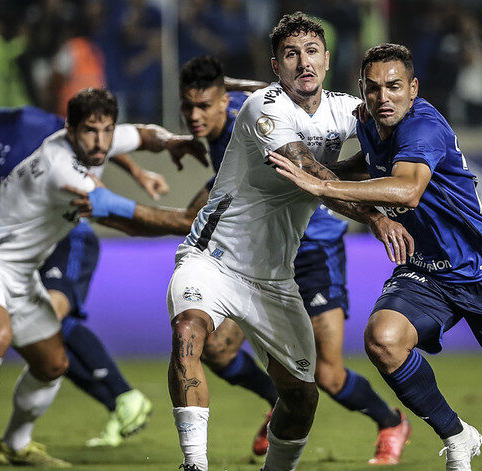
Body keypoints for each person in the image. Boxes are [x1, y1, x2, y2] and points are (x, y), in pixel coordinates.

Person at [269, 43, 482, 471]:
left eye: (394, 87)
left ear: (413, 88)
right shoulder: (372, 124)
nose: (383, 97)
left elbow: (408, 189)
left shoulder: (423, 126)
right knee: (383, 339)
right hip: (427, 269)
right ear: (362, 90)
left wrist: (325, 188)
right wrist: (322, 171)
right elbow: (371, 165)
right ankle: (456, 434)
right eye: (372, 89)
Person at [0, 63, 207, 468]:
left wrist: (172, 141)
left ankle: (15, 444)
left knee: (52, 363)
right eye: (90, 132)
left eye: (106, 131)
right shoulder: (62, 168)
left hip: (21, 275)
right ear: (70, 131)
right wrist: (186, 221)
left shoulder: (98, 139)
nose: (100, 142)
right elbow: (123, 218)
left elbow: (142, 134)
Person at [109, 54, 411, 463]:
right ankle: (277, 403)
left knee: (327, 374)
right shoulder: (226, 129)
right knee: (216, 351)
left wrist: (118, 212)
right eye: (187, 106)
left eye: (203, 106)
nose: (194, 116)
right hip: (259, 258)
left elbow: (283, 104)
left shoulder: (251, 119)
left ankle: (390, 422)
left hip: (316, 244)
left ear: (223, 103)